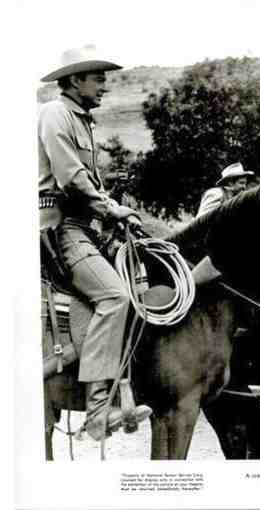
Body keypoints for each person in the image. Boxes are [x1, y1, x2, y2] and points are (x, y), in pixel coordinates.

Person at [38, 46, 151, 441]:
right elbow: (72, 178)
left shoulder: (81, 120)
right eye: (98, 77)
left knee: (140, 278)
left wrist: (113, 213)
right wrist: (111, 209)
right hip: (61, 226)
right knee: (116, 297)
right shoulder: (56, 115)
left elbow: (90, 184)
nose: (104, 85)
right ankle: (98, 410)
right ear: (74, 80)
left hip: (85, 224)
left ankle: (124, 390)